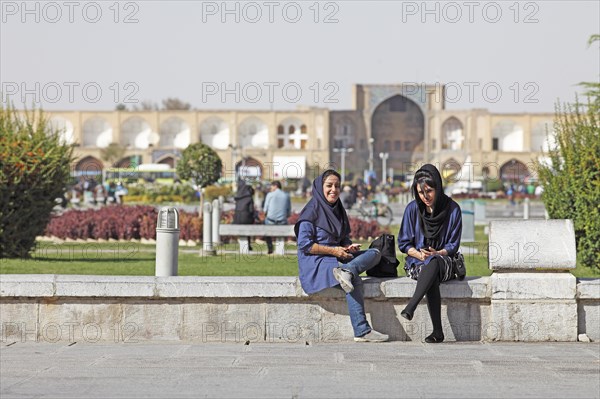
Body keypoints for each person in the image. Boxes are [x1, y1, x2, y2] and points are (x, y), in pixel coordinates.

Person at [294, 169, 389, 342]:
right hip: (317, 261)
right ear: (319, 187)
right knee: (354, 280)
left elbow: (342, 236)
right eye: (329, 185)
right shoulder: (312, 210)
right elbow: (305, 245)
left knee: (375, 252)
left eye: (337, 186)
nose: (334, 190)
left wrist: (347, 247)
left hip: (337, 257)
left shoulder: (337, 209)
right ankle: (362, 331)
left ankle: (348, 270)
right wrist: (334, 251)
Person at [397, 164, 462, 343]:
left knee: (433, 262)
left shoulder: (453, 209)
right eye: (420, 192)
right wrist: (418, 254)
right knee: (429, 269)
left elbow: (453, 245)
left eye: (429, 191)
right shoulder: (412, 209)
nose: (425, 197)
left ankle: (412, 305)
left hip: (444, 263)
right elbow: (403, 243)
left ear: (438, 188)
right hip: (417, 264)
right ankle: (437, 332)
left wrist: (438, 252)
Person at [262, 181, 291, 254]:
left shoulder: (270, 195)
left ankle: (270, 248)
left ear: (275, 186)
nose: (270, 188)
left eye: (271, 186)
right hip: (282, 221)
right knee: (284, 225)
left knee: (266, 230)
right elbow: (288, 212)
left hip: (270, 221)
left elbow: (265, 210)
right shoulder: (286, 195)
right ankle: (280, 249)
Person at [233, 178, 256, 251]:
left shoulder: (237, 198)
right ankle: (248, 245)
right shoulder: (249, 198)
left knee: (246, 223)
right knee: (249, 223)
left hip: (237, 220)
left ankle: (246, 245)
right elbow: (251, 210)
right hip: (246, 220)